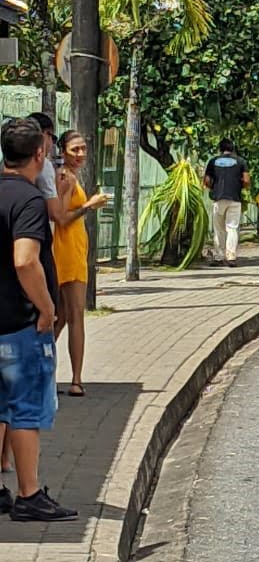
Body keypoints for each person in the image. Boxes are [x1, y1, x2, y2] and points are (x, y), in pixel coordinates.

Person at [0, 118, 77, 521]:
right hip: (21, 324)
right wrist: (47, 308)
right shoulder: (28, 201)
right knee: (25, 410)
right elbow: (25, 259)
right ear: (40, 153)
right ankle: (29, 495)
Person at [52, 131, 109, 398]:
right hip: (67, 253)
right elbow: (62, 218)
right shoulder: (66, 178)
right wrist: (89, 204)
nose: (81, 154)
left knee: (62, 317)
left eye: (83, 149)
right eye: (75, 149)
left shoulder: (68, 176)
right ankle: (76, 379)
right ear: (63, 150)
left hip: (72, 251)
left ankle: (37, 372)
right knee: (75, 317)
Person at [203, 139, 250, 267]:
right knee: (232, 228)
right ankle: (231, 257)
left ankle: (218, 257)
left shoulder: (213, 161)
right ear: (233, 148)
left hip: (218, 199)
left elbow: (206, 181)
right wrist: (240, 185)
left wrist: (213, 187)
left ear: (220, 149)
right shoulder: (241, 161)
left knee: (219, 229)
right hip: (235, 199)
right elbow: (246, 180)